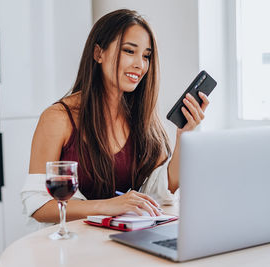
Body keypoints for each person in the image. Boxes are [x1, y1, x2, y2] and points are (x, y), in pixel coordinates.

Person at [21, 9, 209, 226]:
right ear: (98, 53)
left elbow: (163, 189)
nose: (140, 65)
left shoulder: (142, 118)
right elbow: (38, 205)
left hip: (116, 239)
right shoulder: (59, 118)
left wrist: (184, 135)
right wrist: (109, 205)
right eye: (129, 51)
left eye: (146, 56)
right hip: (69, 244)